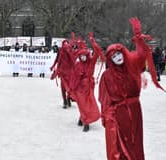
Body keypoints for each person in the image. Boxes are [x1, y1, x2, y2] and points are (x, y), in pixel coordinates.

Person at [98, 17, 164, 160]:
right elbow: (105, 101)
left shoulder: (132, 68)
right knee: (119, 148)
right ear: (111, 60)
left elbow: (141, 56)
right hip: (118, 114)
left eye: (119, 53)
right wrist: (109, 118)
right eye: (114, 56)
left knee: (135, 144)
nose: (118, 57)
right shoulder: (106, 76)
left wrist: (139, 38)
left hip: (134, 112)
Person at [68, 33, 103, 132]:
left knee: (88, 104)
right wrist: (72, 88)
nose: (82, 57)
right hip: (79, 88)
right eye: (81, 56)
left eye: (84, 56)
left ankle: (82, 118)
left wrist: (93, 41)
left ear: (87, 55)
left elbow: (97, 51)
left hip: (88, 87)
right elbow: (74, 77)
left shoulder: (91, 62)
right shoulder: (78, 65)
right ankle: (86, 122)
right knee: (82, 104)